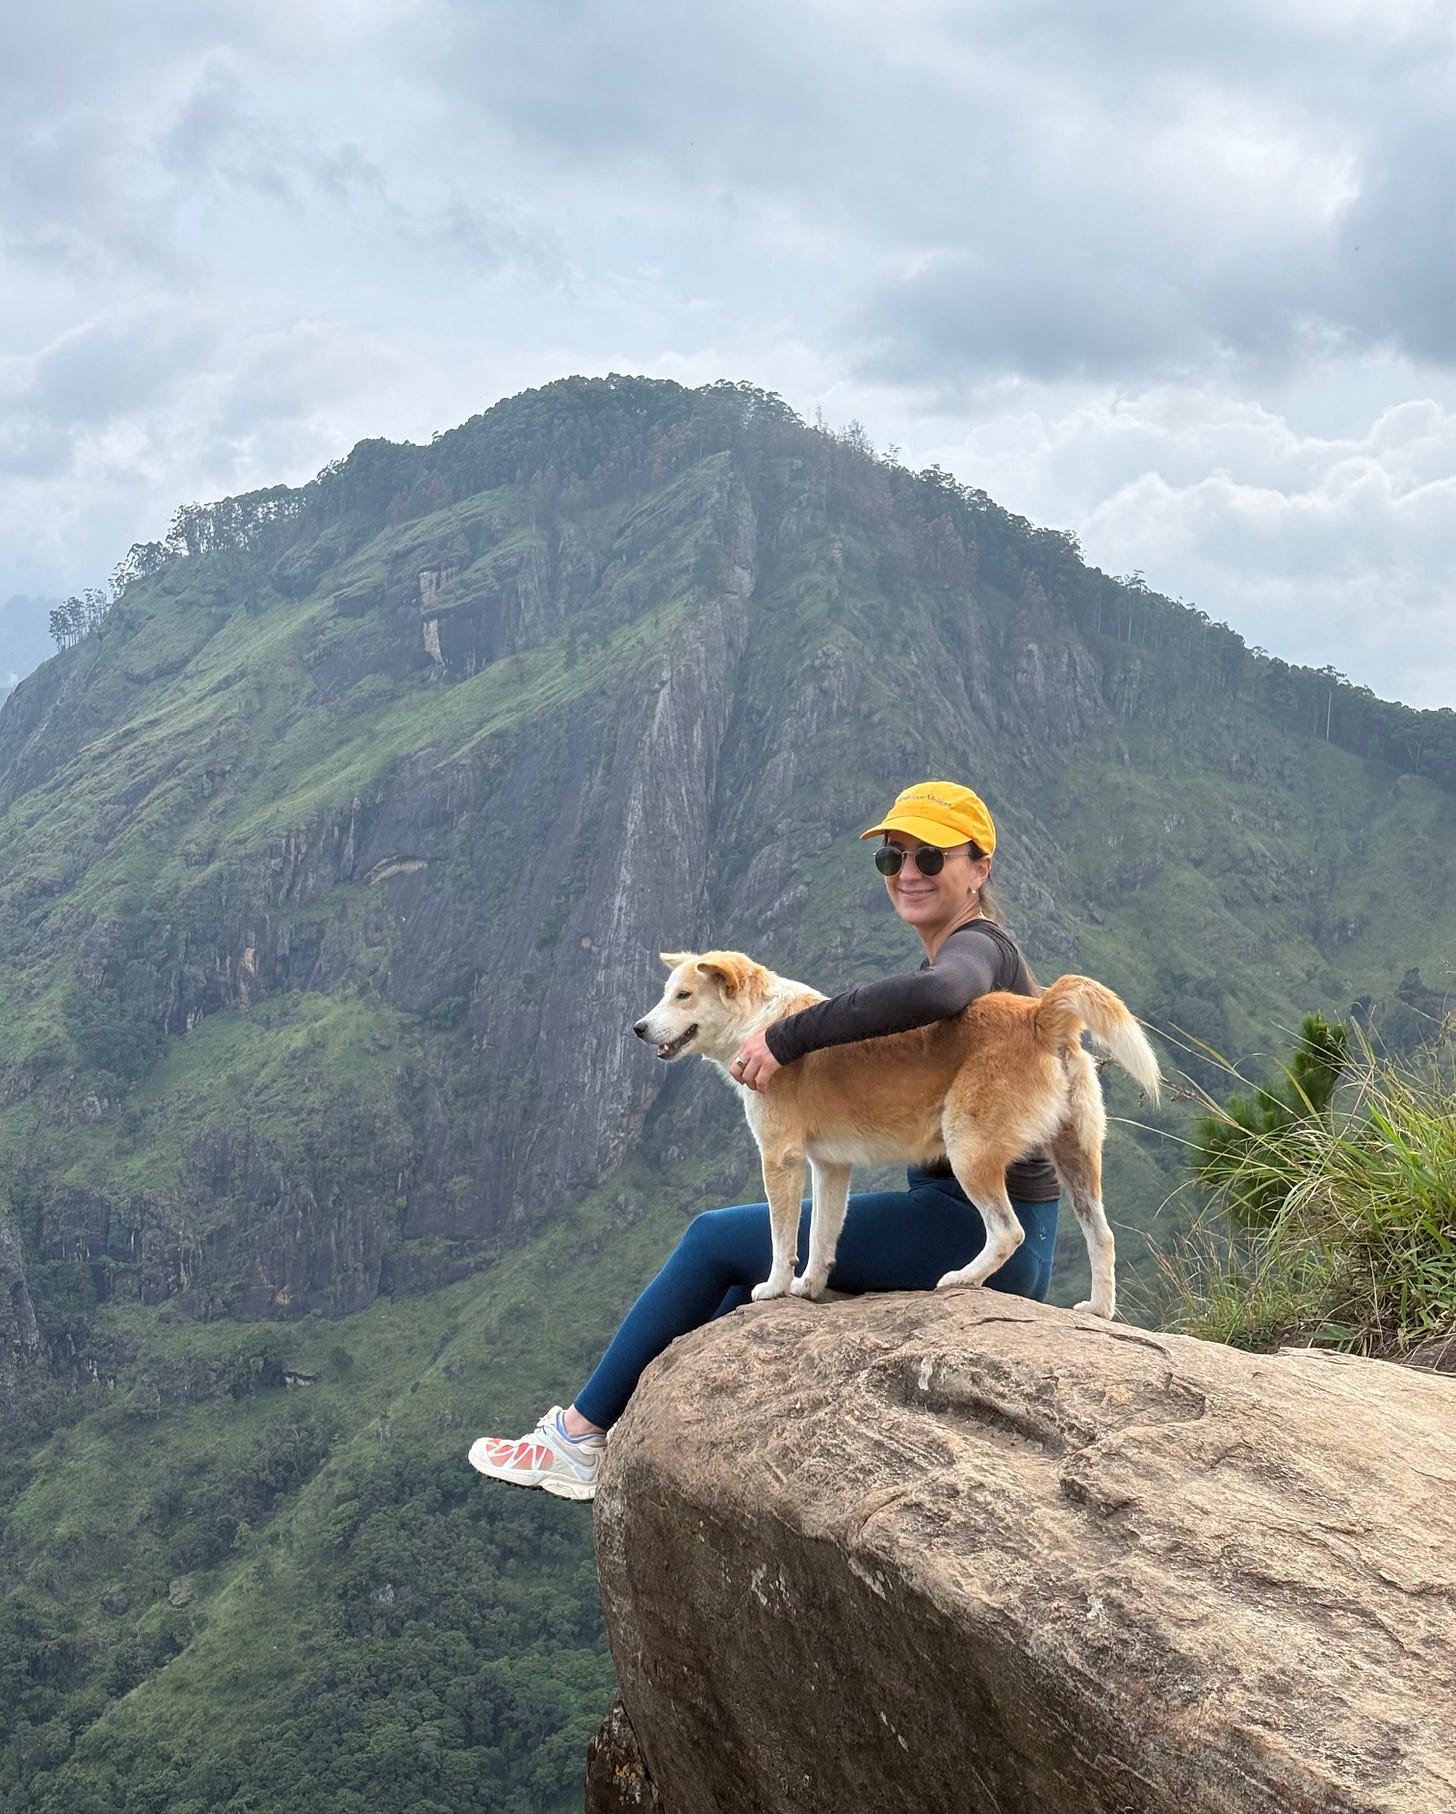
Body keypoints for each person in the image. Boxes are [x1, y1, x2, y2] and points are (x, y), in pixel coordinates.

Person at [467, 780, 1061, 1501]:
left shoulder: (977, 950)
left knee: (714, 1239)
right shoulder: (964, 946)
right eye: (892, 860)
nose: (907, 873)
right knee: (731, 1297)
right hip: (969, 1224)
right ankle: (646, 1436)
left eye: (930, 858)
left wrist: (786, 1034)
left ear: (979, 867)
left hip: (972, 1231)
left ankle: (578, 1436)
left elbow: (939, 994)